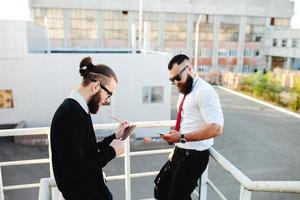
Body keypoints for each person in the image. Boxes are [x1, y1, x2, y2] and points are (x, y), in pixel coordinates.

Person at [50, 57, 129, 200]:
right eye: (109, 93)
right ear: (96, 86)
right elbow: (77, 169)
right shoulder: (70, 114)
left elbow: (86, 153)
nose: (107, 100)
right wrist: (112, 151)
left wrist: (114, 137)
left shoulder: (77, 109)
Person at [154, 54, 224, 200]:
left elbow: (216, 128)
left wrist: (182, 137)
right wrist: (177, 137)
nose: (176, 83)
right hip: (180, 151)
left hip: (194, 157)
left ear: (190, 69)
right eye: (172, 80)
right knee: (160, 187)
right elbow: (188, 120)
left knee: (176, 197)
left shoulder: (204, 91)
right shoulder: (186, 89)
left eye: (178, 77)